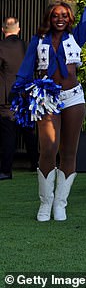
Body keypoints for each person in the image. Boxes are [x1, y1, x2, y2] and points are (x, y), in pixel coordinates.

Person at [14, 0, 86, 222]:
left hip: (74, 97)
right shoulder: (37, 40)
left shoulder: (78, 36)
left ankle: (60, 203)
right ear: (49, 18)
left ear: (70, 18)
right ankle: (45, 203)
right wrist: (20, 91)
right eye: (56, 15)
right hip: (47, 97)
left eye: (64, 15)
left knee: (68, 151)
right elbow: (25, 68)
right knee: (48, 149)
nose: (60, 19)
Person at [0, 17, 29, 179]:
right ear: (18, 29)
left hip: (7, 97)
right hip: (26, 93)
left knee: (9, 134)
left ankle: (5, 170)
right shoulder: (26, 46)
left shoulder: (1, 46)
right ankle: (35, 163)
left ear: (3, 30)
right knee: (29, 130)